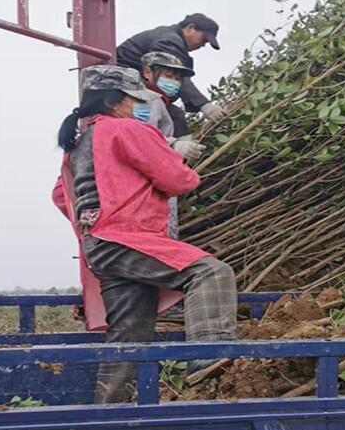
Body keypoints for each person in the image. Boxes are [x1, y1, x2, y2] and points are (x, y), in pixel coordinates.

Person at [52, 65, 237, 404]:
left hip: (100, 247)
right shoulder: (126, 129)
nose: (142, 106)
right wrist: (179, 162)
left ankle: (109, 411)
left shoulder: (78, 143)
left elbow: (61, 195)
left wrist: (92, 219)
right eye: (136, 99)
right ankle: (210, 365)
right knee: (211, 273)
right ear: (115, 101)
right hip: (128, 238)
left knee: (130, 336)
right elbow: (178, 180)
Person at [117, 13, 226, 137]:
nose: (203, 44)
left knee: (174, 115)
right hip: (123, 86)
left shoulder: (173, 40)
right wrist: (204, 105)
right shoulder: (170, 41)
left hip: (133, 85)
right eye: (204, 39)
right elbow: (173, 73)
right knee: (171, 115)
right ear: (190, 28)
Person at [139, 50, 205, 239]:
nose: (174, 82)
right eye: (169, 76)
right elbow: (140, 135)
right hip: (147, 188)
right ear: (147, 72)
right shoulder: (144, 100)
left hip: (160, 184)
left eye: (177, 78)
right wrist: (174, 144)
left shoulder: (162, 104)